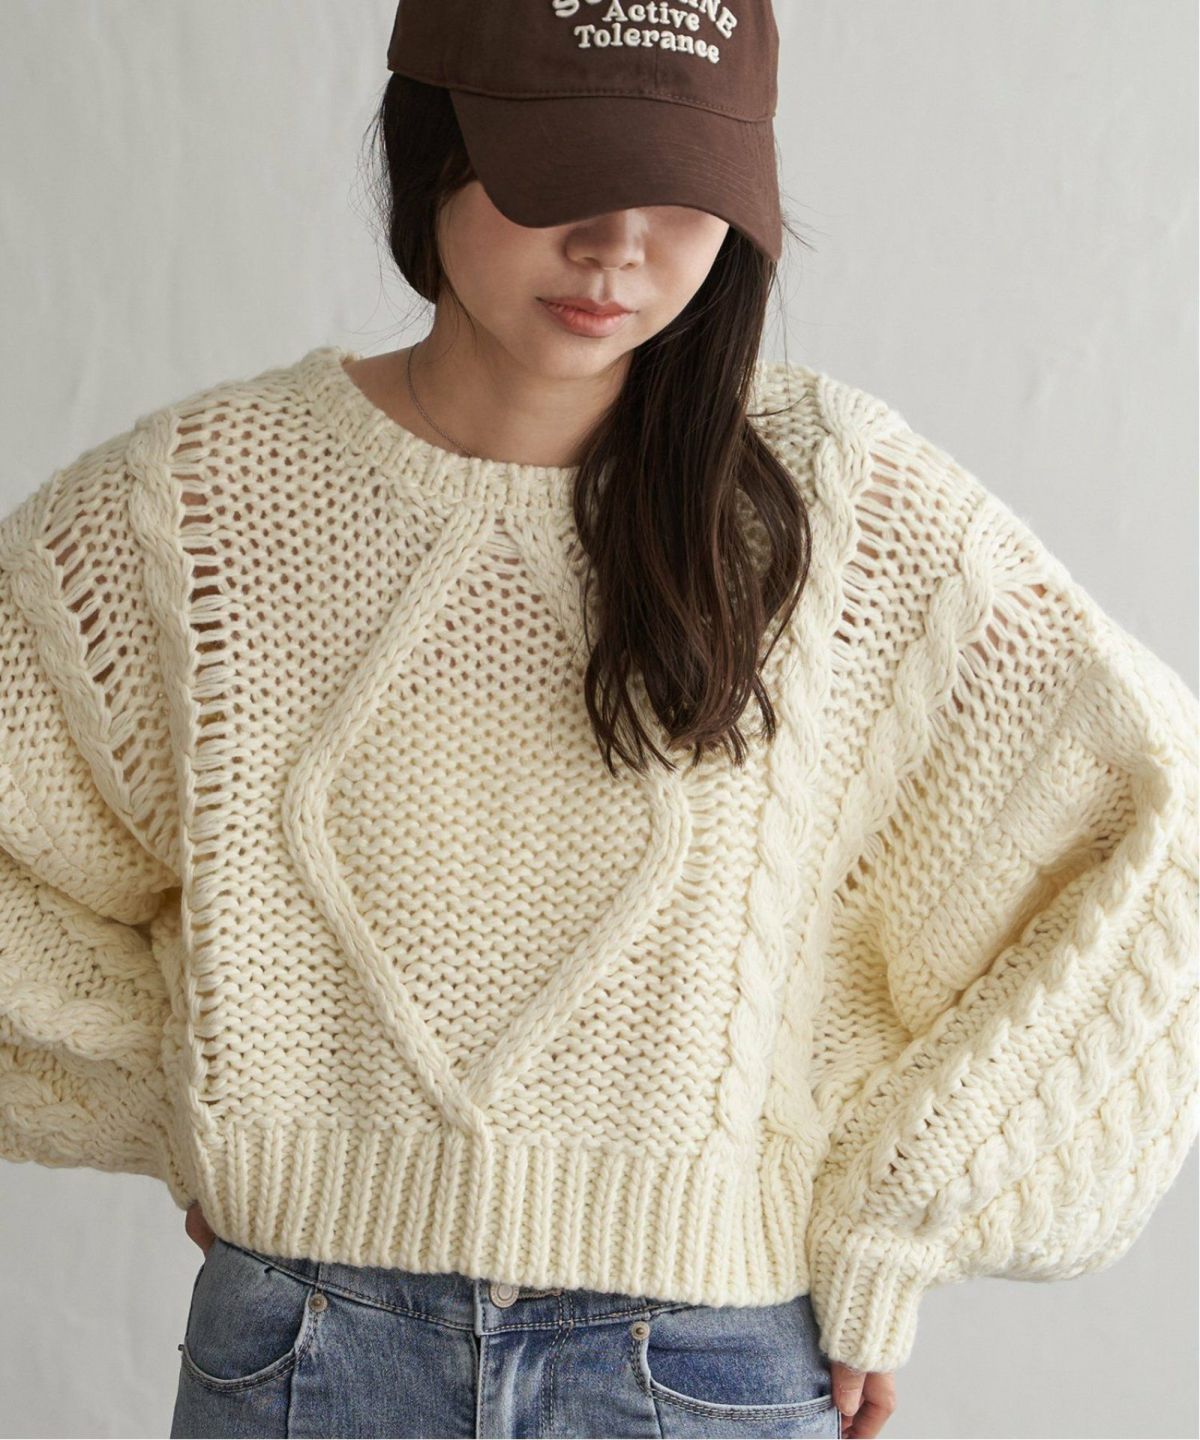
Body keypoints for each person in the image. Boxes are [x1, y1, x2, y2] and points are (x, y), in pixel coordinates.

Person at [1, 3, 1196, 1438]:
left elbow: (1153, 839)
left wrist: (892, 1231)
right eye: (565, 174)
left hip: (701, 1367)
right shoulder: (197, 508)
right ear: (432, 144)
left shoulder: (837, 511)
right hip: (312, 1351)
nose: (619, 247)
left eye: (685, 192)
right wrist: (191, 1099)